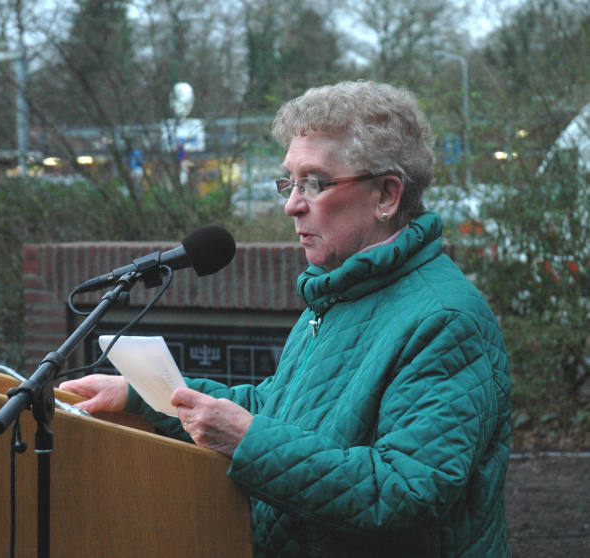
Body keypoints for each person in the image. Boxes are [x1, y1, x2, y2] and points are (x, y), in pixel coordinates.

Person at [61, 81, 511, 558]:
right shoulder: (340, 292)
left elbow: (405, 490)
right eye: (289, 182)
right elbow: (278, 408)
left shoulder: (445, 320)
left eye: (315, 183)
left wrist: (248, 443)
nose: (291, 204)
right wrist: (145, 399)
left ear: (387, 195)